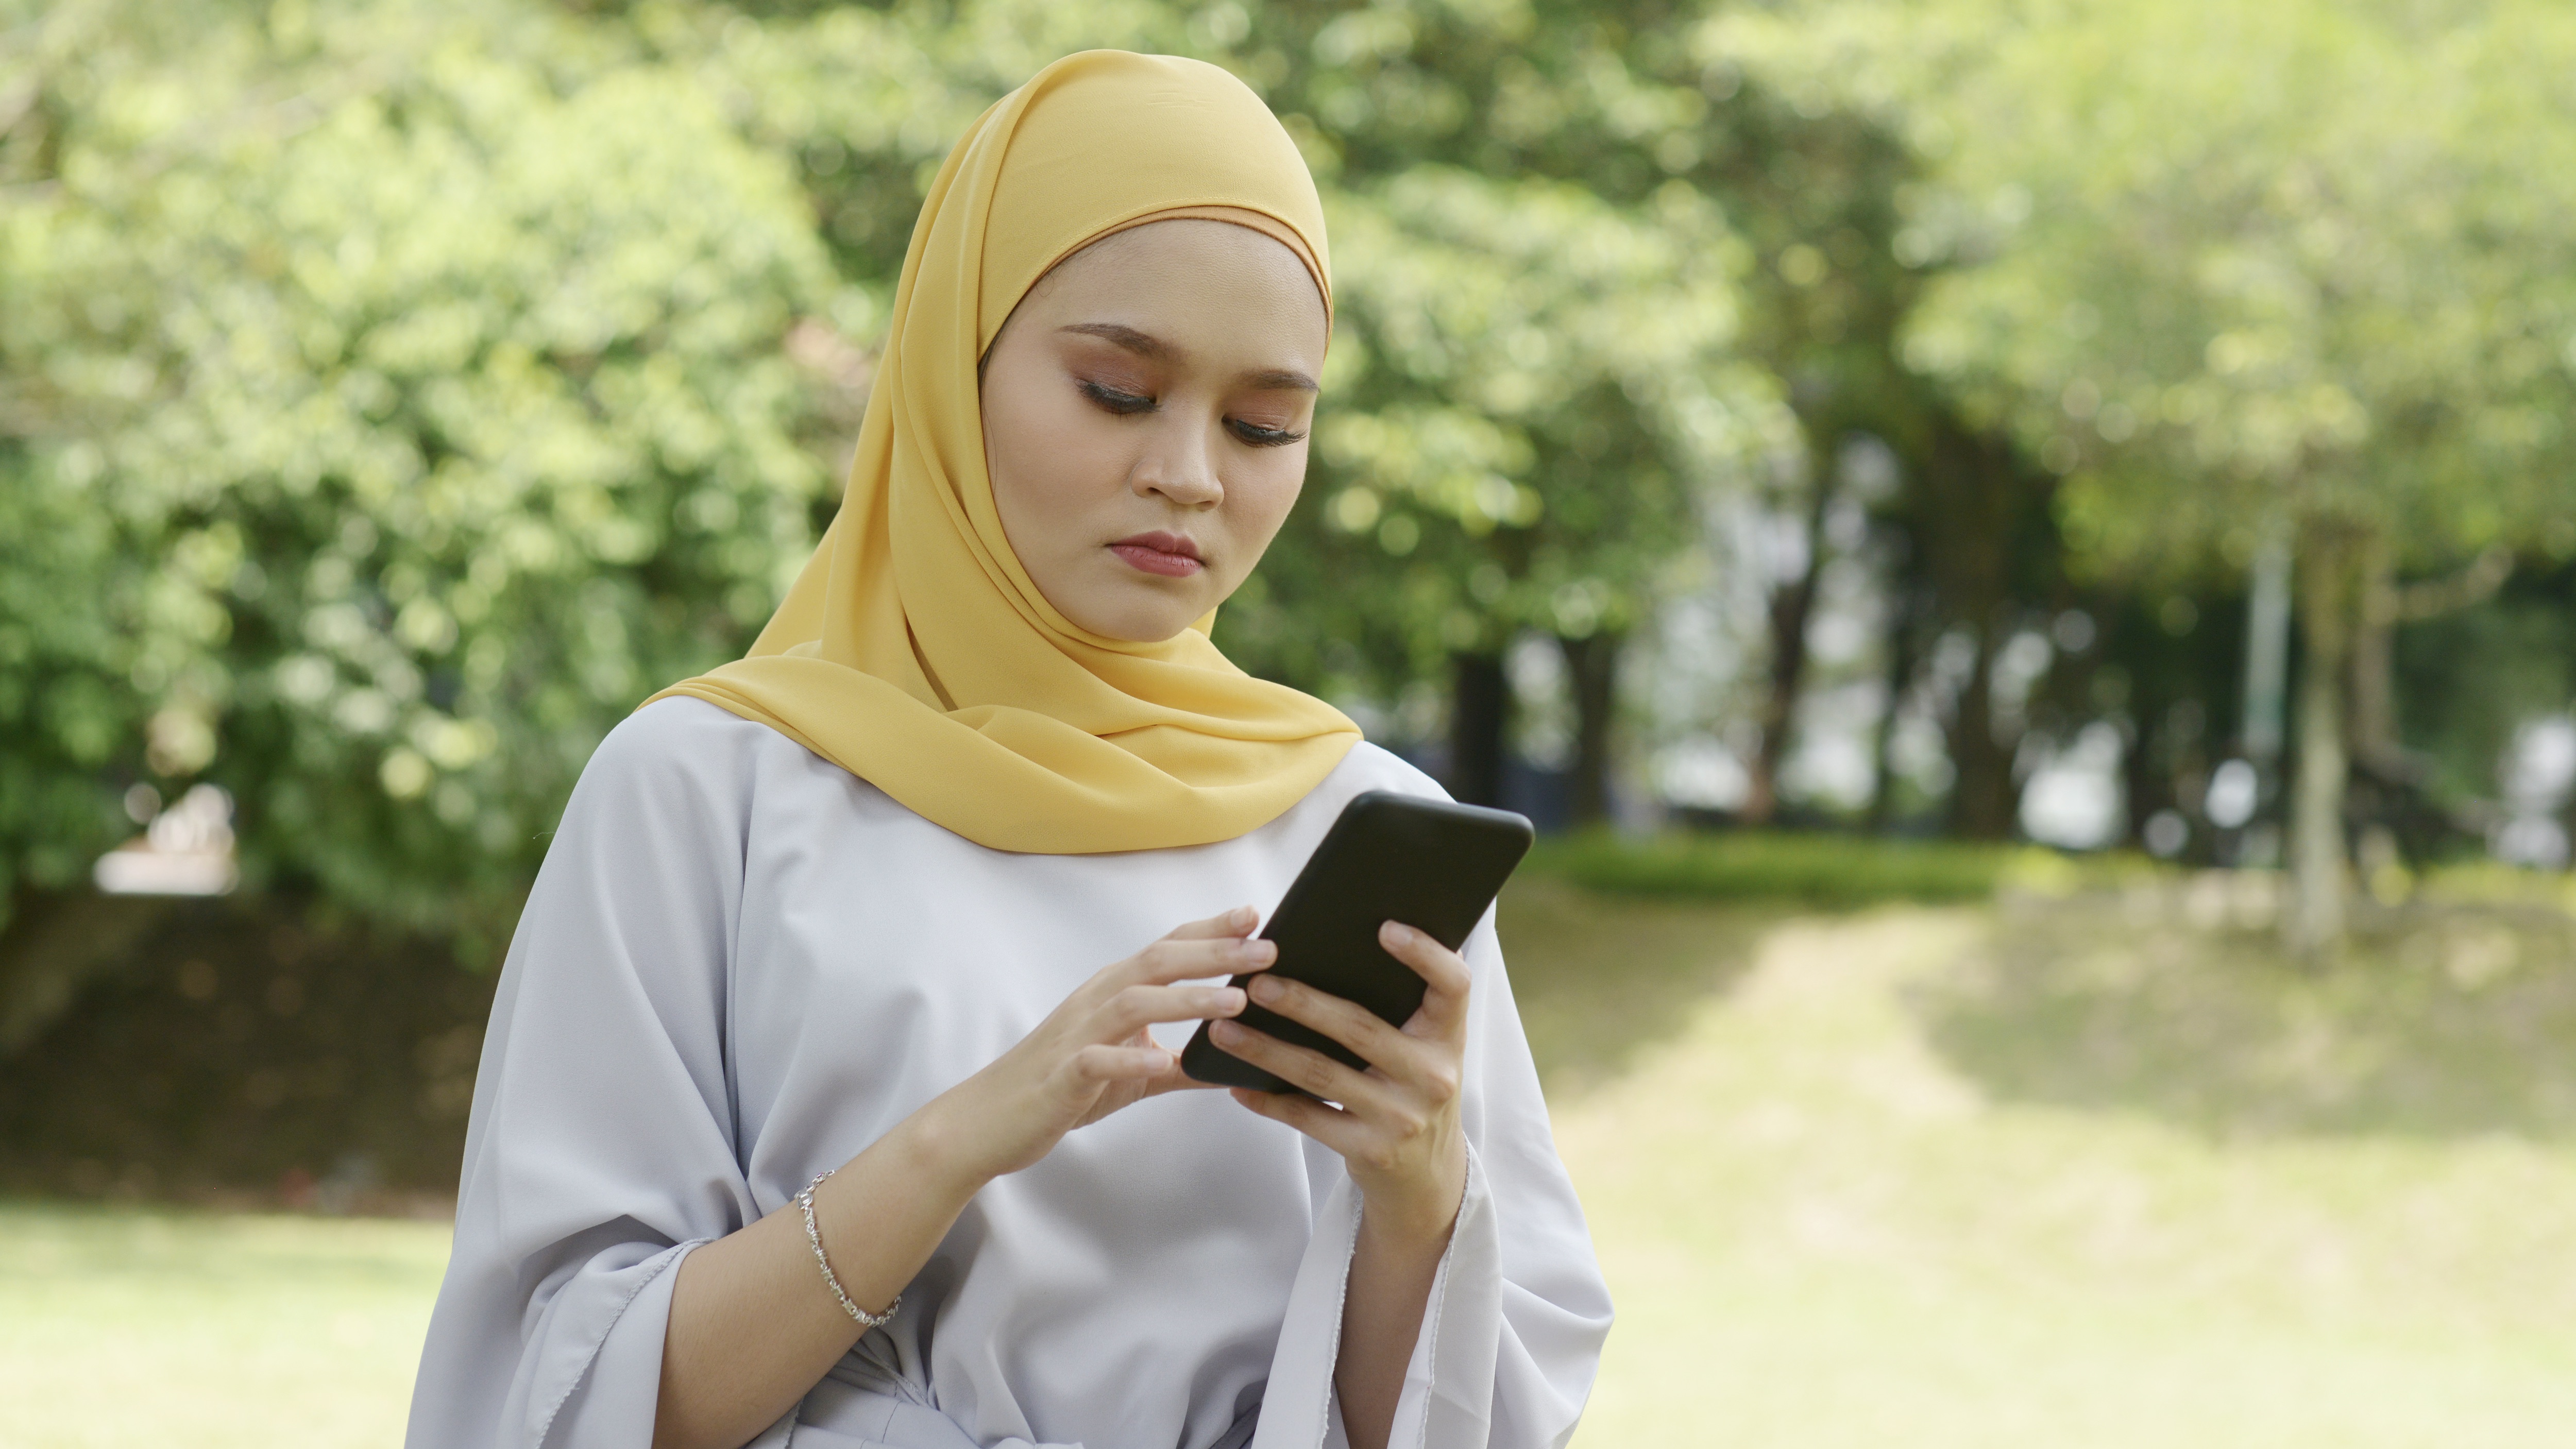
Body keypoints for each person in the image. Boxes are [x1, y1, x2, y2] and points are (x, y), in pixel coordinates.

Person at [405, 49, 1611, 1449]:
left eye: (1266, 422)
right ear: (950, 360)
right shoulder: (705, 790)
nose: (1192, 473)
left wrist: (1419, 1189)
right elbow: (560, 1393)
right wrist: (963, 1137)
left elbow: (1488, 1416)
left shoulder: (1354, 818)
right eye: (1115, 389)